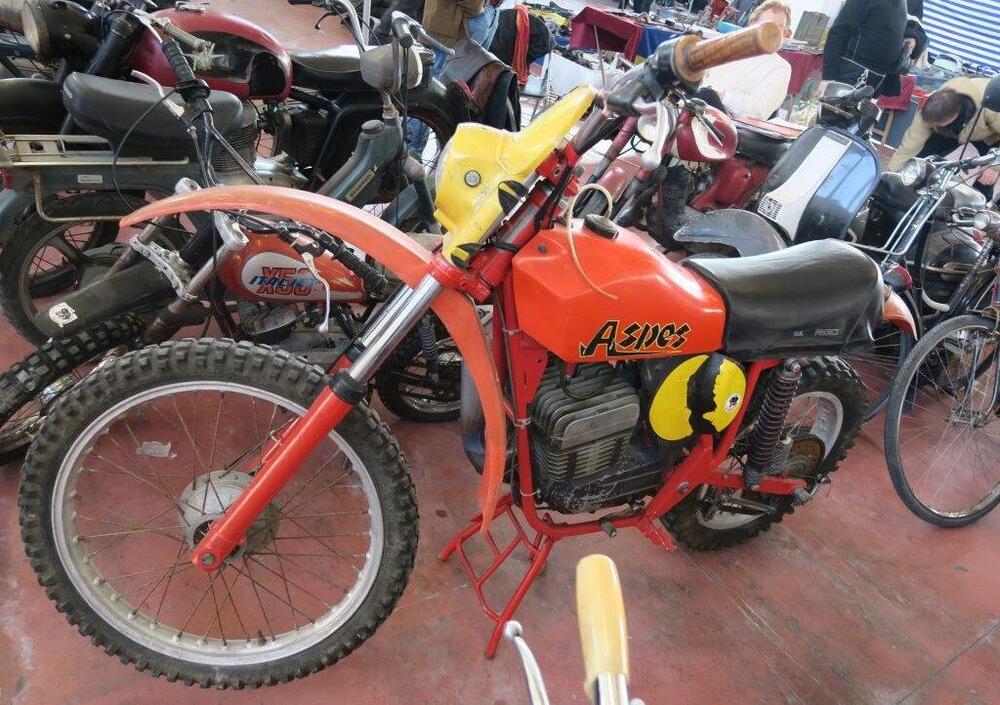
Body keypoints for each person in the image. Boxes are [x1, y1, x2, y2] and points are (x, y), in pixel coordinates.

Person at [700, 0, 792, 120]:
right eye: (766, 24)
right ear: (752, 25)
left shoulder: (780, 67)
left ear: (784, 34)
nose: (771, 31)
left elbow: (758, 111)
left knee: (706, 95)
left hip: (727, 122)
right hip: (697, 107)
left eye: (778, 27)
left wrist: (721, 96)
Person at [888, 77, 1000, 171]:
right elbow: (910, 144)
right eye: (931, 125)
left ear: (953, 117)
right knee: (920, 164)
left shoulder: (991, 108)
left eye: (936, 124)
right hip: (955, 130)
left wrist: (993, 168)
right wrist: (891, 174)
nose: (932, 127)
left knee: (987, 176)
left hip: (992, 134)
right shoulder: (932, 107)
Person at [822, 0, 907, 97]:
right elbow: (840, 30)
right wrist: (828, 77)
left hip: (877, 76)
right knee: (835, 106)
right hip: (853, 69)